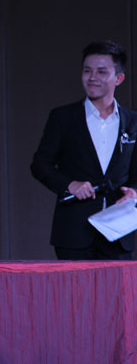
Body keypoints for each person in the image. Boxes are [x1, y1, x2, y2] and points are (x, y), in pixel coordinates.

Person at [31, 40, 137, 260]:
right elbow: (40, 164)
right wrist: (69, 184)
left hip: (119, 233)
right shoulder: (63, 118)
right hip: (74, 232)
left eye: (101, 71)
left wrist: (134, 192)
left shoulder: (133, 121)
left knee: (117, 284)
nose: (92, 77)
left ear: (119, 78)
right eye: (87, 71)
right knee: (74, 284)